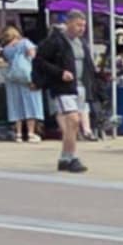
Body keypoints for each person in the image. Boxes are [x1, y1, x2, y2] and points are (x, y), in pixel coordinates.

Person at [32, 10, 92, 174]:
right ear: (69, 23)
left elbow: (88, 64)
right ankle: (71, 157)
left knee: (75, 123)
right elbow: (39, 60)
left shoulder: (82, 43)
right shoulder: (56, 41)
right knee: (72, 119)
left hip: (79, 86)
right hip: (63, 87)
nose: (82, 29)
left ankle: (65, 157)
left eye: (84, 25)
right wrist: (59, 73)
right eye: (78, 25)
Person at [0, 25, 42, 145]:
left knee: (15, 105)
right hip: (27, 77)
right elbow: (33, 57)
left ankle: (18, 134)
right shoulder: (25, 42)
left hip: (12, 78)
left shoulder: (6, 49)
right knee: (30, 103)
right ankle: (30, 133)